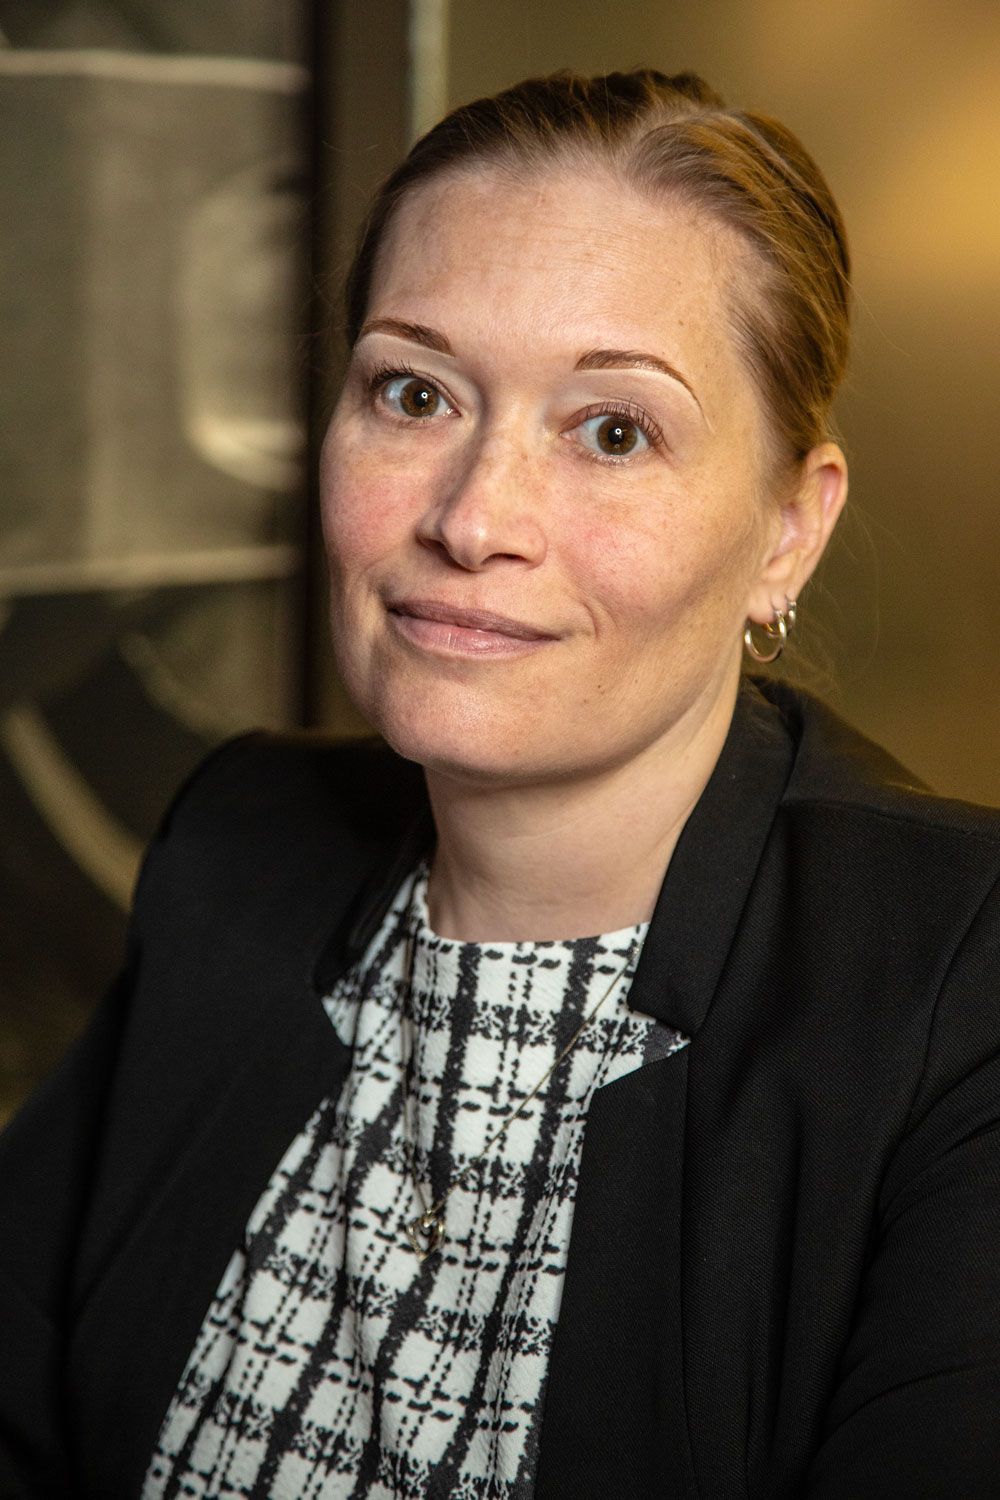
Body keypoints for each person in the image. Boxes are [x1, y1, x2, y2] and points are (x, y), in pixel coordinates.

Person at [2, 67, 999, 1500]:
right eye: (414, 392)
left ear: (790, 527)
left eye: (612, 430)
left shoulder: (963, 996)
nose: (472, 518)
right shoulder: (240, 841)